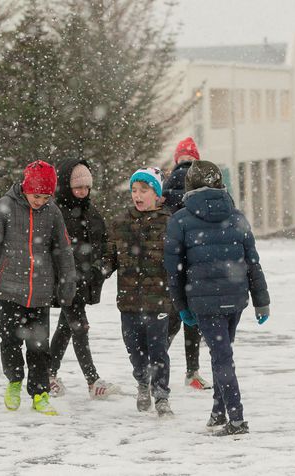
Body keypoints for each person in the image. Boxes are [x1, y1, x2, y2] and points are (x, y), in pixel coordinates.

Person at [164, 160, 269, 436]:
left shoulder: (180, 220)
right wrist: (261, 300)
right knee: (222, 353)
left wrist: (181, 306)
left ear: (190, 187)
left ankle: (236, 419)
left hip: (204, 301)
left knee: (221, 356)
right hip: (235, 298)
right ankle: (218, 412)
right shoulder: (236, 217)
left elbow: (174, 270)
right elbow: (252, 263)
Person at [0, 160, 77, 415]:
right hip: (10, 290)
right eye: (36, 195)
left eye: (45, 196)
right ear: (25, 188)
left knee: (39, 347)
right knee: (10, 340)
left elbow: (63, 251)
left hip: (41, 292)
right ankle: (13, 381)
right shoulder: (5, 207)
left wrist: (67, 285)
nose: (40, 201)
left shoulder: (52, 212)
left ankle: (40, 392)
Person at [100, 167, 174, 417]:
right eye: (134, 190)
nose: (137, 195)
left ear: (157, 195)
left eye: (144, 190)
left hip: (159, 299)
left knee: (158, 349)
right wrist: (95, 272)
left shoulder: (170, 223)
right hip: (129, 300)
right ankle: (143, 382)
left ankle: (161, 394)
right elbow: (109, 258)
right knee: (134, 347)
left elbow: (179, 260)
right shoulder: (121, 223)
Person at [49, 156, 121, 399]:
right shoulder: (56, 212)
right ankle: (93, 381)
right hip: (67, 281)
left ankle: (48, 375)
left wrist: (102, 267)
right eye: (77, 187)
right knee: (80, 327)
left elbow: (102, 241)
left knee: (66, 328)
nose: (82, 192)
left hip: (86, 279)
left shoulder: (91, 210)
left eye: (86, 187)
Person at [161, 137, 210, 390]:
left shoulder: (167, 186)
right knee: (193, 319)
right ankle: (192, 371)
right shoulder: (202, 186)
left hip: (174, 261)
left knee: (173, 316)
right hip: (196, 261)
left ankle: (156, 365)